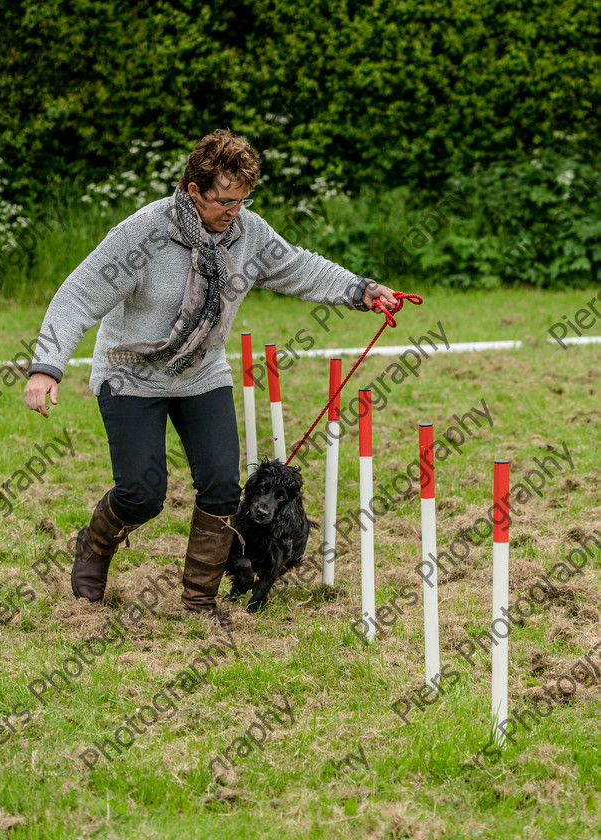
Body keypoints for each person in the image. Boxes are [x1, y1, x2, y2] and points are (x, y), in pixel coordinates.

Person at [24, 128, 397, 629]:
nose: (235, 212)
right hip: (132, 375)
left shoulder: (248, 233)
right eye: (226, 201)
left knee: (223, 487)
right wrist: (47, 366)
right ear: (193, 191)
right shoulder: (142, 234)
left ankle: (200, 601)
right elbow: (77, 297)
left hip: (202, 373)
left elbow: (299, 267)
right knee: (142, 493)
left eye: (244, 201)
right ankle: (93, 547)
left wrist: (361, 289)